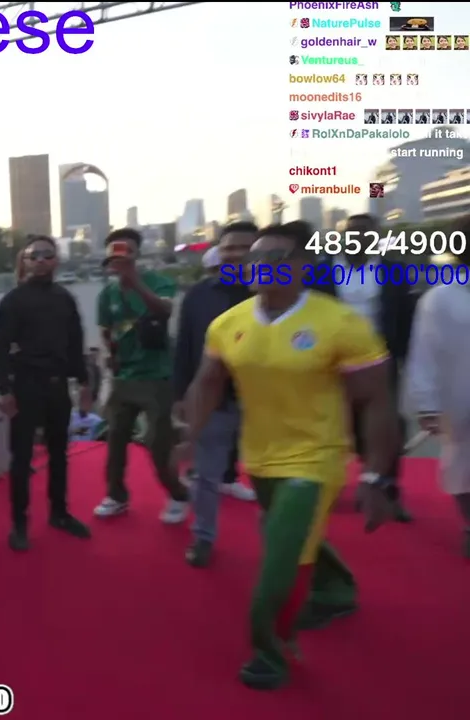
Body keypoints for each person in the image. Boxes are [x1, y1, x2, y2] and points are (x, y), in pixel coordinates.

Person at [178, 222, 400, 690]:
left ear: (303, 266)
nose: (260, 266)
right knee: (294, 533)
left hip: (317, 457)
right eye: (254, 258)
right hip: (259, 457)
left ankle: (271, 650)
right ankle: (336, 589)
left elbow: (377, 400)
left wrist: (376, 476)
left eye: (275, 258)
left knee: (280, 554)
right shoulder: (229, 324)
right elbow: (207, 382)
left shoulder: (340, 323)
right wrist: (189, 436)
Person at [311, 213, 415, 521]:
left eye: (366, 233)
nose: (358, 238)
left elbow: (405, 318)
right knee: (331, 426)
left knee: (388, 427)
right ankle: (328, 489)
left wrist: (404, 358)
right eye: (351, 232)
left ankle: (388, 492)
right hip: (331, 364)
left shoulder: (395, 271)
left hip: (379, 361)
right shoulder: (320, 272)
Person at [0, 235, 92, 550]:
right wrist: (4, 389)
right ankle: (19, 523)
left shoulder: (65, 299)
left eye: (47, 255)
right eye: (34, 255)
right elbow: (0, 348)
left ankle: (59, 513)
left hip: (57, 386)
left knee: (59, 454)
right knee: (21, 458)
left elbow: (75, 343)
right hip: (25, 386)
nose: (40, 260)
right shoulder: (13, 301)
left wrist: (84, 382)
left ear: (56, 260)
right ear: (25, 262)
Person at [172, 222, 260, 568]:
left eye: (244, 248)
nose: (235, 255)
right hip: (212, 400)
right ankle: (203, 537)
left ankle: (284, 543)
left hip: (265, 403)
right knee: (205, 476)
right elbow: (184, 347)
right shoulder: (198, 295)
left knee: (273, 475)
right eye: (228, 248)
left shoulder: (276, 292)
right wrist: (181, 395)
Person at [94, 228, 190, 522]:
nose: (118, 259)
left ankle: (178, 495)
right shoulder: (107, 294)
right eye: (113, 253)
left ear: (136, 254)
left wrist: (134, 281)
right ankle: (116, 495)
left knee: (158, 444)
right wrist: (110, 354)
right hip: (123, 378)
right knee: (115, 441)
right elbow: (106, 329)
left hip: (156, 377)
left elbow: (164, 311)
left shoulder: (159, 282)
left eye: (125, 251)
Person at [403, 226, 469, 557]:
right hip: (461, 398)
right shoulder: (440, 299)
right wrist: (427, 404)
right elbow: (424, 354)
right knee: (462, 467)